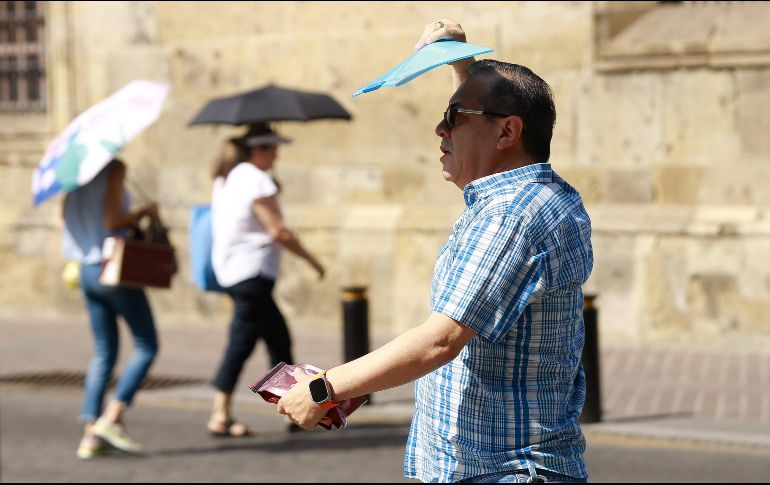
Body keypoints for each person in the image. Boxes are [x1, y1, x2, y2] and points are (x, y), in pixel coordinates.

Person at [276, 20, 593, 483]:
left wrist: (325, 388)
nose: (439, 128)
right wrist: (459, 62)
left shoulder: (511, 216)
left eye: (455, 117)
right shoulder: (527, 198)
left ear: (507, 133)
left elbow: (440, 340)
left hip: (500, 471)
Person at [208, 123, 325, 437]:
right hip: (252, 274)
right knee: (243, 343)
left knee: (274, 340)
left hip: (236, 273)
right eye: (273, 150)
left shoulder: (231, 177)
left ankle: (288, 409)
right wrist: (312, 260)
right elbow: (278, 231)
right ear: (259, 150)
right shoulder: (253, 178)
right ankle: (221, 413)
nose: (276, 156)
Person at [61, 158, 160, 459]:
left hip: (86, 268)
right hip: (112, 265)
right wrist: (143, 212)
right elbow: (112, 220)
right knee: (147, 344)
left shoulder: (73, 174)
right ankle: (111, 417)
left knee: (104, 351)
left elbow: (66, 219)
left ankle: (90, 436)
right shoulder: (113, 169)